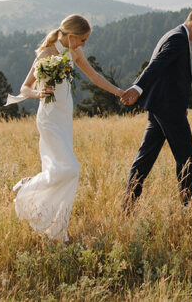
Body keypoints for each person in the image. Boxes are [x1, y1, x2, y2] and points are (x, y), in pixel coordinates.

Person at [8, 14, 126, 242]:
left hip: (65, 118)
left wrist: (119, 92)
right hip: (49, 118)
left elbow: (94, 76)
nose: (84, 44)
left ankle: (56, 229)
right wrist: (37, 93)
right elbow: (24, 88)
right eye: (82, 40)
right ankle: (27, 186)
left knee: (62, 171)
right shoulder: (46, 53)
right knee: (71, 168)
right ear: (71, 36)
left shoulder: (74, 52)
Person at [120, 7, 192, 207]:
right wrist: (137, 88)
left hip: (162, 106)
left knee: (145, 158)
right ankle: (189, 206)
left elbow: (172, 76)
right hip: (167, 108)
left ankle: (128, 203)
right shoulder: (178, 39)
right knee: (187, 156)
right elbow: (156, 65)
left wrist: (181, 104)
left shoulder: (173, 34)